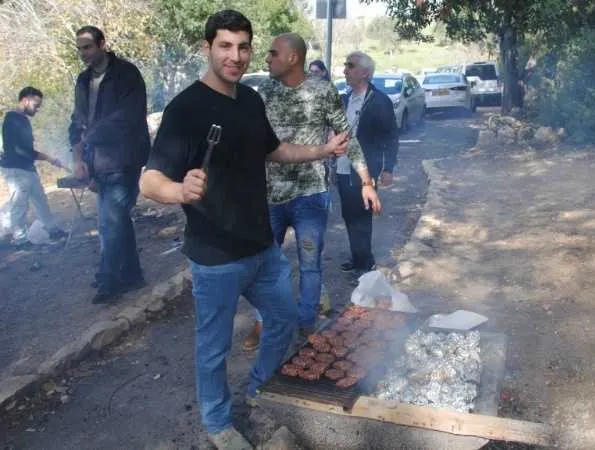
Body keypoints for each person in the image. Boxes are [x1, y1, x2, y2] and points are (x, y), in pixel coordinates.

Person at [139, 10, 350, 450]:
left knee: (284, 319)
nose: (235, 56)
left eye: (243, 47)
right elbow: (148, 180)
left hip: (262, 248)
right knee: (213, 349)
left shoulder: (252, 100)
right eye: (225, 46)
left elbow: (275, 150)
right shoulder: (186, 109)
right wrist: (178, 189)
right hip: (215, 256)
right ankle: (217, 424)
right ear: (208, 48)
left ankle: (258, 389)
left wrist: (323, 150)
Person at [240, 34, 380, 351]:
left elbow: (347, 138)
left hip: (311, 197)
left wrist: (366, 181)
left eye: (273, 54)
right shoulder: (266, 92)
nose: (267, 59)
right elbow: (252, 141)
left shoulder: (322, 90)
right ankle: (265, 321)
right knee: (262, 266)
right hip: (271, 196)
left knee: (310, 266)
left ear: (292, 58)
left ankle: (306, 324)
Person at [68, 25, 150, 304]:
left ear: (102, 44)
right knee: (118, 219)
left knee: (110, 221)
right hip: (98, 162)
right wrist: (78, 158)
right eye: (79, 49)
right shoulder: (82, 81)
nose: (83, 54)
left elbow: (128, 118)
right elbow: (76, 121)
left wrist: (91, 134)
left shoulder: (126, 74)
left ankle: (109, 280)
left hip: (124, 159)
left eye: (87, 47)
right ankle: (132, 275)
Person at [338, 51, 399, 285]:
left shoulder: (379, 101)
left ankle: (366, 264)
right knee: (349, 215)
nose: (345, 70)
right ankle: (358, 258)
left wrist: (388, 169)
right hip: (343, 168)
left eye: (350, 66)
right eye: (345, 65)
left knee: (362, 218)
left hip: (366, 171)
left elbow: (391, 137)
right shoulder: (346, 98)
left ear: (364, 72)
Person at [0, 87, 68, 244]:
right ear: (25, 100)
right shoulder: (12, 120)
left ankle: (52, 230)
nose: (37, 109)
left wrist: (47, 159)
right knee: (19, 204)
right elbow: (21, 150)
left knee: (40, 200)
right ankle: (20, 239)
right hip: (17, 170)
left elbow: (26, 150)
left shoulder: (22, 120)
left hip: (27, 168)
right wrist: (49, 158)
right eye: (36, 105)